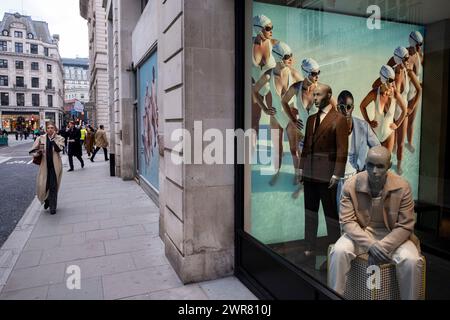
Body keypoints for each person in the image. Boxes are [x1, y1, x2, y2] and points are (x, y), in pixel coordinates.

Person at [328, 146, 424, 300]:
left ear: (389, 166)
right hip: (361, 233)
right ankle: (334, 296)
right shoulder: (351, 185)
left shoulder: (403, 186)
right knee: (339, 251)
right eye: (370, 165)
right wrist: (371, 245)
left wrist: (382, 247)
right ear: (365, 163)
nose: (374, 171)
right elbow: (347, 221)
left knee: (411, 260)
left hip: (393, 235)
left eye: (380, 166)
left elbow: (405, 225)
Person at [298, 84, 348, 259]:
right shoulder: (311, 119)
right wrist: (301, 168)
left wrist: (337, 174)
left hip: (327, 176)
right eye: (314, 95)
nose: (315, 98)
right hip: (310, 174)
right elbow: (306, 147)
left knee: (330, 215)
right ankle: (309, 246)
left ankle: (335, 247)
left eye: (319, 94)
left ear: (329, 96)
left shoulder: (339, 119)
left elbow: (342, 149)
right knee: (310, 213)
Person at [266, 41, 303, 186]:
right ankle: (277, 173)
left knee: (294, 150)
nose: (291, 59)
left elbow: (309, 90)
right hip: (275, 118)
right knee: (277, 150)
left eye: (291, 55)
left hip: (290, 118)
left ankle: (297, 175)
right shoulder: (269, 75)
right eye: (288, 56)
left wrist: (302, 112)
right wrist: (264, 108)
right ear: (279, 57)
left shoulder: (293, 73)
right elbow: (255, 90)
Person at [336, 90, 380, 206]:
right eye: (341, 107)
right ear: (337, 108)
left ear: (353, 108)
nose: (345, 111)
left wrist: (367, 168)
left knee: (359, 214)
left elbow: (377, 148)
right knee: (342, 217)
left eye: (348, 107)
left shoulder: (363, 126)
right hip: (338, 182)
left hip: (357, 178)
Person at [360, 65, 407, 152]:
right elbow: (362, 106)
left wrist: (397, 124)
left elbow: (404, 110)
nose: (393, 83)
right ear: (384, 80)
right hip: (375, 134)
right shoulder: (374, 94)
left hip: (389, 135)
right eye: (391, 80)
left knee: (385, 163)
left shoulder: (395, 94)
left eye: (393, 80)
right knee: (374, 163)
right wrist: (368, 122)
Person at [251, 14, 277, 153]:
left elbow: (285, 53)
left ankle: (276, 152)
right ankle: (251, 154)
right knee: (254, 121)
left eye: (272, 27)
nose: (271, 30)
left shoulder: (271, 43)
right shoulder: (249, 46)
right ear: (259, 29)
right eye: (268, 28)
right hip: (255, 86)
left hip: (270, 86)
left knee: (275, 118)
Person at [29, 122, 65, 215]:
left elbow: (59, 150)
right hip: (44, 166)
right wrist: (39, 152)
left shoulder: (60, 138)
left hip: (55, 166)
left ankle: (53, 207)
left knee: (53, 186)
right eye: (48, 128)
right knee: (43, 185)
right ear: (46, 129)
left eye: (52, 128)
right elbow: (32, 151)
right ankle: (47, 200)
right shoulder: (40, 138)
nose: (50, 129)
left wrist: (53, 140)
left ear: (55, 129)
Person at [405, 31, 424, 153]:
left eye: (420, 45)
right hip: (405, 94)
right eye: (417, 45)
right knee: (400, 122)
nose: (419, 47)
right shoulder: (405, 56)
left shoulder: (420, 55)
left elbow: (418, 76)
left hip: (415, 93)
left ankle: (409, 143)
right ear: (412, 42)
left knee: (411, 121)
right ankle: (396, 146)